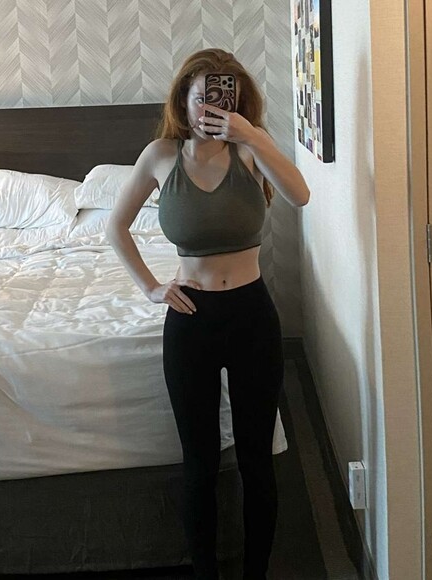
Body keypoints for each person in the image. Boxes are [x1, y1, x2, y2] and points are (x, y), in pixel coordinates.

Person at [108, 48, 309, 580]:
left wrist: (253, 136)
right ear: (184, 99)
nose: (212, 107)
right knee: (198, 463)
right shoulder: (160, 155)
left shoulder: (250, 152)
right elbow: (115, 227)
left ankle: (256, 573)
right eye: (202, 97)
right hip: (190, 318)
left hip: (252, 317)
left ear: (238, 103)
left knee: (256, 460)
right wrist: (152, 288)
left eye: (224, 98)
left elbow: (300, 195)